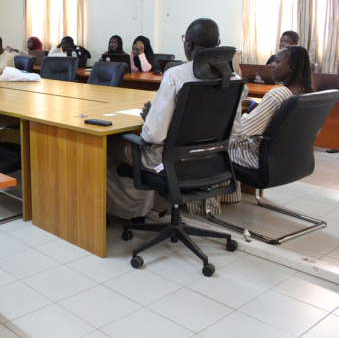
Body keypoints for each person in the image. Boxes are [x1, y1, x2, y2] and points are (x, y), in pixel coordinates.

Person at [106, 18, 248, 222]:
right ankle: (148, 206)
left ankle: (133, 212)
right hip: (212, 161)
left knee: (108, 145)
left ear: (188, 43)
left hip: (170, 161)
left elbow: (154, 136)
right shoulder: (233, 79)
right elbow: (234, 132)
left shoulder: (176, 76)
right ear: (217, 44)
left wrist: (150, 119)